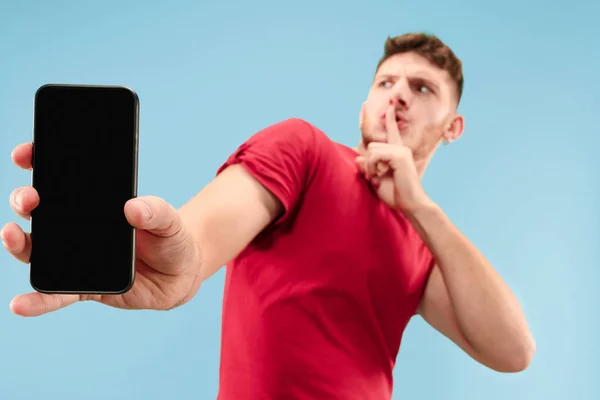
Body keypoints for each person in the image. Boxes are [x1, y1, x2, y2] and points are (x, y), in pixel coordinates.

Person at [2, 33, 535, 399]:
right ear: (365, 100)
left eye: (422, 89)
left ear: (453, 126)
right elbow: (199, 242)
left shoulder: (424, 240)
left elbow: (514, 352)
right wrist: (177, 266)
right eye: (385, 83)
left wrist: (421, 208)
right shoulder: (305, 150)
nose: (397, 96)